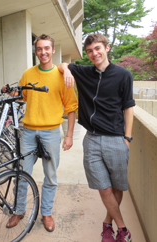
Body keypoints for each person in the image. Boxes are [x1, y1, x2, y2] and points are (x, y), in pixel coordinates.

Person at [58, 33, 134, 242]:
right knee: (104, 188)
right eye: (90, 51)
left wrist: (127, 139)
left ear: (107, 48)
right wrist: (66, 71)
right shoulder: (84, 72)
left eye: (98, 49)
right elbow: (62, 64)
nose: (94, 54)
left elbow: (128, 107)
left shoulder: (123, 74)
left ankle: (107, 226)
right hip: (91, 139)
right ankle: (123, 229)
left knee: (117, 187)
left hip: (116, 138)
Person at [2, 34, 78, 232]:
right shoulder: (28, 73)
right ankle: (19, 211)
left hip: (52, 132)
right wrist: (9, 91)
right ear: (36, 52)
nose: (43, 52)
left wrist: (68, 135)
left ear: (53, 50)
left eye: (46, 48)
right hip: (28, 131)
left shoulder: (62, 76)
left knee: (50, 176)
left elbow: (71, 108)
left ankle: (46, 213)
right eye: (39, 49)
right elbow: (22, 96)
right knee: (22, 173)